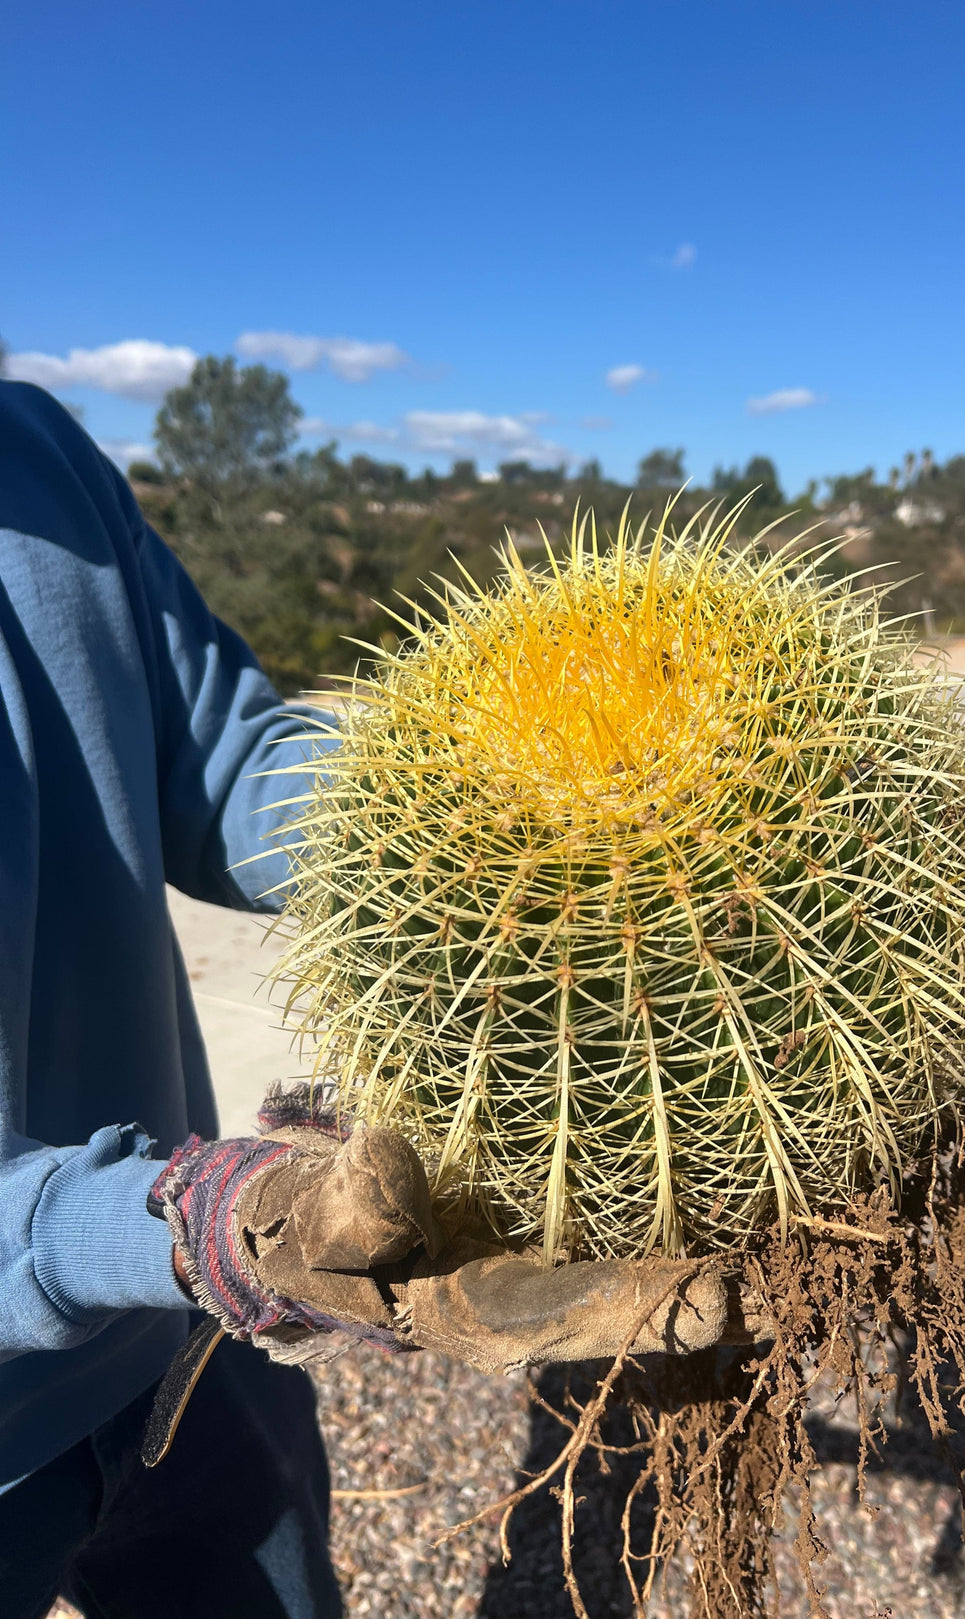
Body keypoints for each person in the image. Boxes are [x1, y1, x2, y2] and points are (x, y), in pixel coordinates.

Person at [0, 381, 731, 1619]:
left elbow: (226, 767)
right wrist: (216, 1223)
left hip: (184, 1346)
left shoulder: (36, 449)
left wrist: (494, 788)